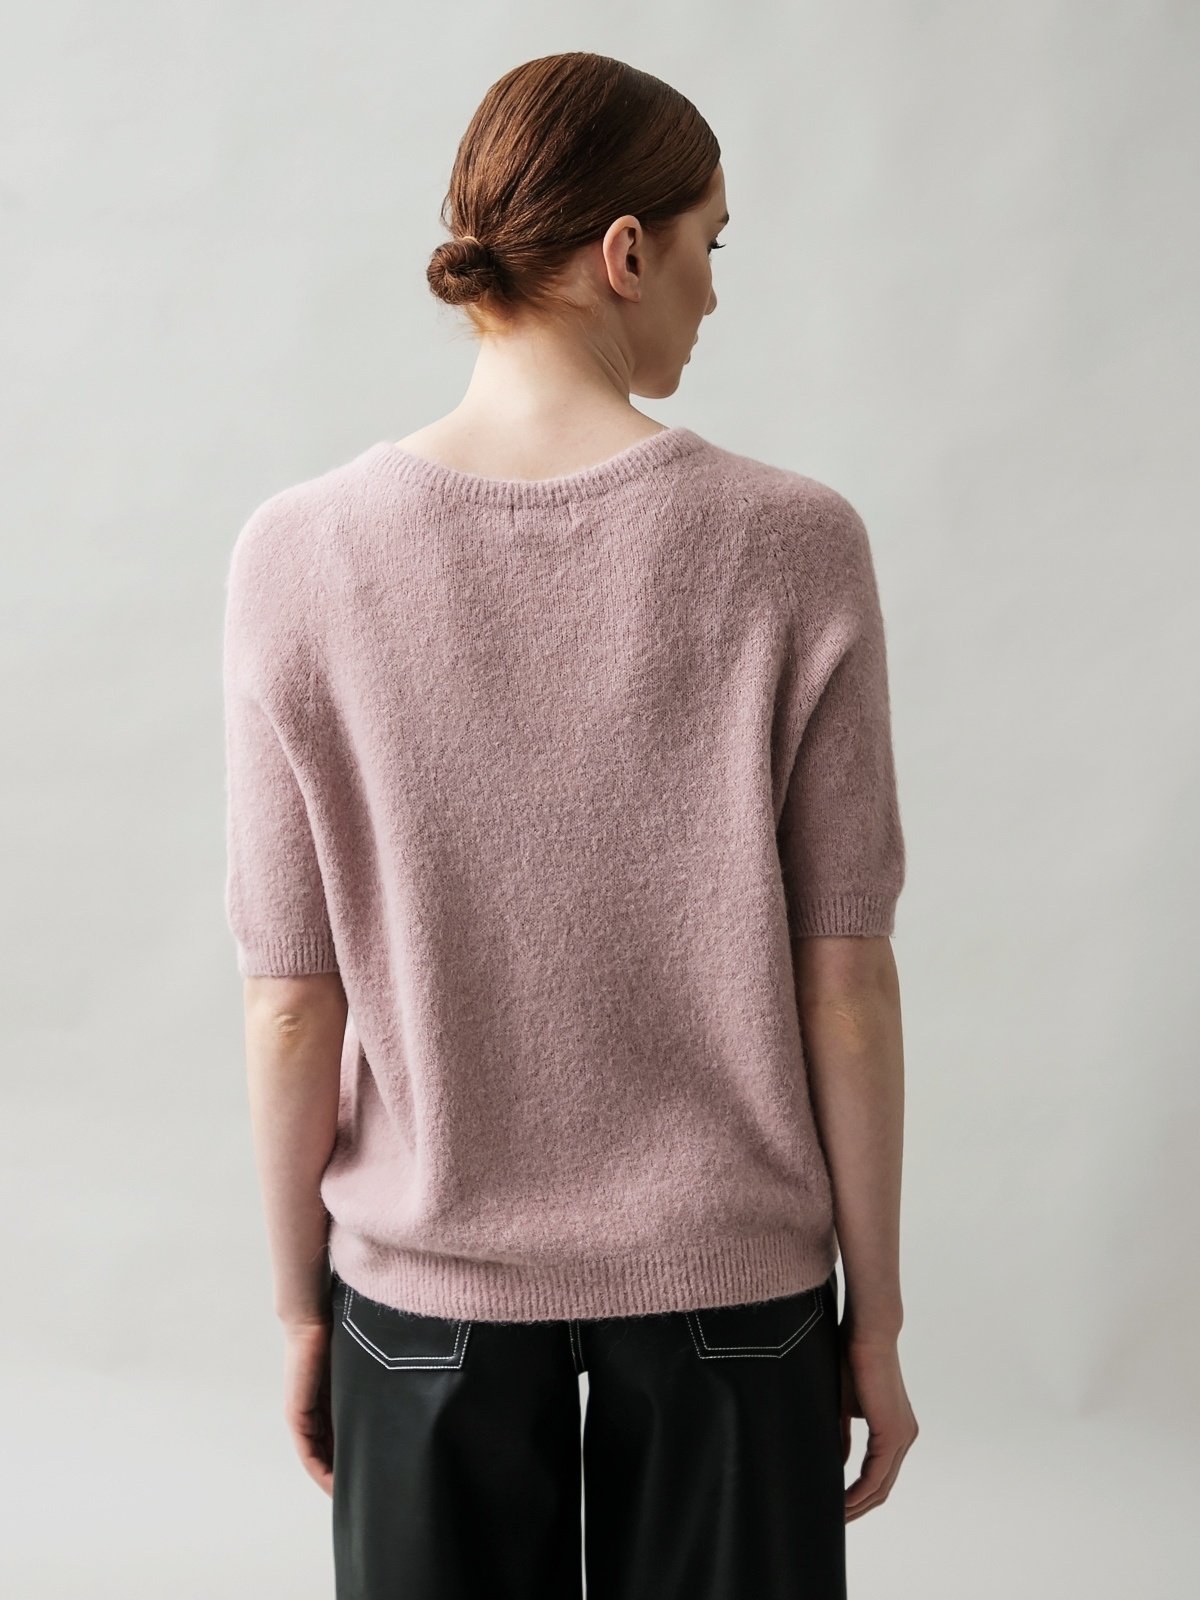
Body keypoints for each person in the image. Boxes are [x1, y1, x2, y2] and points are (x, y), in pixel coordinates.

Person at [222, 49, 918, 1600]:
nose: (716, 292)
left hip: (425, 1298)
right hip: (737, 1295)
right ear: (625, 254)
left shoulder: (297, 554)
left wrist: (298, 1310)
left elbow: (290, 1006)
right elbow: (848, 983)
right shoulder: (796, 544)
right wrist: (873, 1321)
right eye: (710, 243)